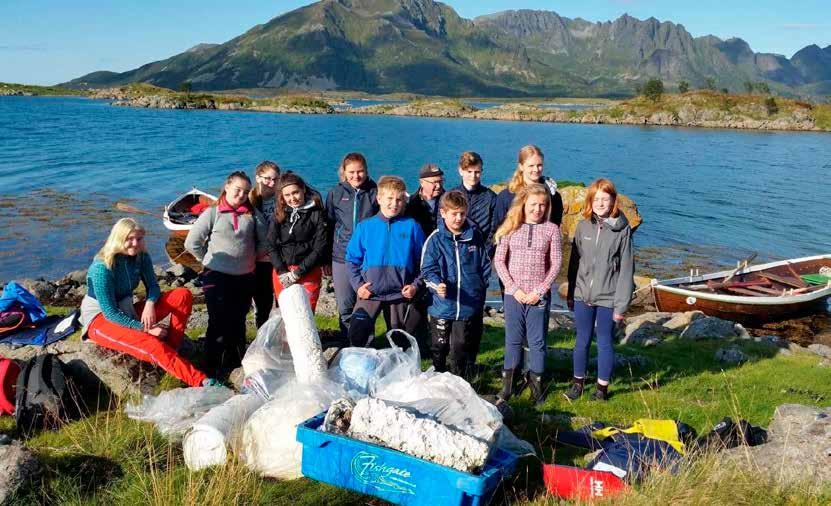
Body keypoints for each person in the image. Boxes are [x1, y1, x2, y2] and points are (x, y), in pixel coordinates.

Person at [80, 218, 213, 387]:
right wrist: (146, 329)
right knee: (150, 342)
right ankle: (200, 381)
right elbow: (110, 313)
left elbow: (153, 287)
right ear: (118, 238)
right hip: (100, 318)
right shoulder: (102, 268)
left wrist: (150, 304)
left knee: (182, 294)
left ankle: (170, 352)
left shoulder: (141, 257)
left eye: (139, 238)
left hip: (127, 309)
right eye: (129, 239)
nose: (135, 243)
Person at [185, 171, 266, 379]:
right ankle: (210, 367)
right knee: (217, 321)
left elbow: (264, 242)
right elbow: (192, 242)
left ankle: (235, 364)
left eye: (246, 192)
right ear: (227, 186)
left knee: (239, 320)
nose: (241, 195)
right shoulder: (213, 213)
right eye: (237, 190)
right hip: (217, 276)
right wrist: (208, 260)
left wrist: (249, 259)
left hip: (245, 277)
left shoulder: (253, 214)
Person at [565, 178, 635, 402]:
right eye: (596, 199)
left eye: (605, 199)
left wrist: (621, 305)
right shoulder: (583, 226)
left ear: (613, 200)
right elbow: (574, 263)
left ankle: (601, 390)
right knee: (581, 340)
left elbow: (626, 269)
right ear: (590, 201)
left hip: (608, 297)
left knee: (604, 342)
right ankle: (577, 384)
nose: (601, 203)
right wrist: (570, 293)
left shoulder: (622, 231)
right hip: (582, 294)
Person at [493, 183, 562, 408]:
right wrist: (514, 289)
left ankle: (537, 388)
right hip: (515, 295)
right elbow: (499, 261)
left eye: (542, 205)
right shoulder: (511, 227)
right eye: (533, 204)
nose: (537, 209)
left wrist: (539, 291)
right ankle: (508, 387)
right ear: (524, 204)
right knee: (512, 340)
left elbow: (556, 264)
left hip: (538, 296)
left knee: (537, 342)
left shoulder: (552, 229)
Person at [346, 176, 425, 347]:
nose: (394, 204)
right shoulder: (365, 227)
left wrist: (415, 286)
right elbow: (352, 260)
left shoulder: (412, 226)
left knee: (401, 341)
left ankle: (400, 371)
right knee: (358, 334)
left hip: (400, 294)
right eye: (390, 198)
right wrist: (358, 286)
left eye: (399, 199)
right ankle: (362, 370)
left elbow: (423, 262)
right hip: (371, 292)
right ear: (379, 199)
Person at [420, 190, 491, 377]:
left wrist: (479, 288)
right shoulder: (435, 240)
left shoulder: (475, 237)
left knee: (460, 346)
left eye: (462, 213)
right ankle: (437, 375)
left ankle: (459, 379)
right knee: (439, 345)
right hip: (442, 305)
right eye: (454, 214)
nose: (458, 218)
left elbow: (485, 265)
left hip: (466, 306)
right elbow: (427, 269)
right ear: (443, 213)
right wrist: (437, 285)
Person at [451, 151, 497, 369]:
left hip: (479, 261)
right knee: (454, 310)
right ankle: (454, 359)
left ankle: (471, 360)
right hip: (454, 261)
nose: (473, 176)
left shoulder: (490, 197)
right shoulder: (451, 196)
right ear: (461, 171)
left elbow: (496, 230)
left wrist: (485, 254)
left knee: (476, 313)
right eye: (469, 172)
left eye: (477, 172)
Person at [325, 153, 379, 339]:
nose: (356, 176)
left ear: (366, 170)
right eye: (352, 172)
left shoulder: (375, 192)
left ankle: (367, 348)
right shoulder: (336, 193)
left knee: (366, 303)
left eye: (360, 171)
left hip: (368, 258)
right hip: (341, 257)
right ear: (344, 172)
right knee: (345, 305)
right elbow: (330, 223)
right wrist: (326, 259)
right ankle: (348, 346)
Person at [268, 172, 328, 311]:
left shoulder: (316, 213)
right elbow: (271, 244)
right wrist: (282, 271)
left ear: (303, 190)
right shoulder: (279, 213)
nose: (292, 198)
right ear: (282, 197)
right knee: (285, 315)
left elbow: (320, 247)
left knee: (305, 314)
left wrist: (298, 273)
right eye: (287, 195)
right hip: (282, 272)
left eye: (295, 193)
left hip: (309, 272)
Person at [493, 145, 564, 229]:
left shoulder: (553, 196)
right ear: (521, 166)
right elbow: (497, 228)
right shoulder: (506, 196)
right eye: (531, 166)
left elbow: (555, 227)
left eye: (539, 165)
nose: (536, 170)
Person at [248, 160, 281, 327]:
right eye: (267, 178)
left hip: (281, 259)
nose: (272, 183)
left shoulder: (282, 199)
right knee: (263, 305)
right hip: (260, 261)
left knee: (283, 304)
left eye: (276, 179)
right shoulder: (250, 200)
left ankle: (282, 342)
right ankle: (261, 342)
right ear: (258, 178)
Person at [405, 163, 445, 236]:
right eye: (434, 182)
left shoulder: (449, 201)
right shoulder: (411, 205)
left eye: (440, 181)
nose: (438, 186)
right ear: (422, 183)